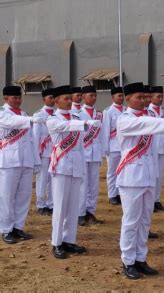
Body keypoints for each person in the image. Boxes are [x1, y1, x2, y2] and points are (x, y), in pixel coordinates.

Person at [116, 82, 164, 279]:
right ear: (128, 98)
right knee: (131, 221)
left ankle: (140, 259)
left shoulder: (150, 118)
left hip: (148, 175)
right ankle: (128, 261)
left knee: (145, 221)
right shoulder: (124, 119)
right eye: (140, 97)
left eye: (146, 97)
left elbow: (153, 146)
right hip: (131, 177)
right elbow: (141, 126)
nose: (144, 100)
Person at [46, 85, 101, 259]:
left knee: (73, 206)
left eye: (71, 98)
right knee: (60, 206)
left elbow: (81, 139)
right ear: (56, 101)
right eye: (66, 98)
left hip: (77, 165)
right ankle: (56, 243)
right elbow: (66, 126)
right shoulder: (53, 119)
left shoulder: (76, 116)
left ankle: (69, 240)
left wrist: (84, 122)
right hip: (61, 166)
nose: (70, 101)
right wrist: (85, 123)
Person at [0, 85, 42, 244]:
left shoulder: (24, 114)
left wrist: (36, 161)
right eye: (14, 98)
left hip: (26, 160)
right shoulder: (3, 113)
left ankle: (18, 227)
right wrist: (31, 119)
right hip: (9, 161)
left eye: (19, 98)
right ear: (6, 98)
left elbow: (32, 140)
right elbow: (12, 123)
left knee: (24, 196)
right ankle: (5, 229)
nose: (18, 101)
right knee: (6, 197)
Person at [78, 86, 105, 226]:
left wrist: (102, 152)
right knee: (83, 184)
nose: (93, 98)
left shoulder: (99, 114)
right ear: (83, 97)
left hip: (95, 153)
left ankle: (91, 212)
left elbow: (103, 135)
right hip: (83, 153)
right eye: (90, 95)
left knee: (94, 185)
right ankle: (80, 214)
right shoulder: (77, 114)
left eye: (95, 95)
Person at [32, 88, 56, 216]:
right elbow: (35, 136)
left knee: (53, 179)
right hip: (43, 151)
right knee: (42, 179)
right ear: (44, 99)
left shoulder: (57, 114)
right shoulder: (39, 115)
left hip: (55, 151)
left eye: (54, 98)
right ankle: (41, 205)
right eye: (50, 98)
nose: (52, 100)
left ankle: (51, 204)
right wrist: (36, 154)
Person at [147, 86, 164, 212]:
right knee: (152, 175)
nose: (161, 99)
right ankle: (150, 201)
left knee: (160, 175)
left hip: (161, 146)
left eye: (162, 96)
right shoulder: (148, 111)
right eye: (158, 96)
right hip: (151, 147)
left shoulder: (163, 111)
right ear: (151, 97)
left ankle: (156, 200)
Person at [102, 86, 125, 205]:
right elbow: (105, 130)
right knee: (112, 172)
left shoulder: (126, 110)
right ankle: (112, 195)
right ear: (113, 97)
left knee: (122, 171)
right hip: (113, 146)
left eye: (122, 95)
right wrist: (105, 148)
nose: (121, 98)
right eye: (119, 96)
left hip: (124, 147)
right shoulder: (108, 111)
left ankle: (120, 193)